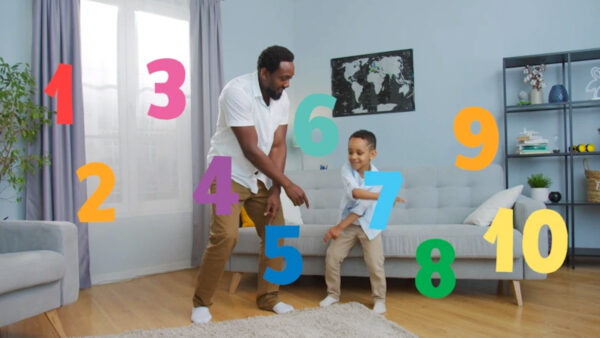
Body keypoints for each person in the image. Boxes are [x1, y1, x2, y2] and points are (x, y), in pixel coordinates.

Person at [191, 46, 310, 324]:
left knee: (276, 229)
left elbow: (278, 146)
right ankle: (200, 302)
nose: (287, 83)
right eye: (282, 77)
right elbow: (250, 148)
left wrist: (276, 190)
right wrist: (289, 184)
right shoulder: (236, 92)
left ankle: (269, 297)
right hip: (223, 172)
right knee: (226, 236)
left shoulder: (282, 98)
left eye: (290, 77)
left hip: (259, 176)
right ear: (264, 73)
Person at [320, 130, 405, 314]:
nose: (353, 157)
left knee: (375, 263)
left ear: (372, 154)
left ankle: (379, 299)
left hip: (373, 221)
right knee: (332, 257)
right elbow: (356, 194)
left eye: (359, 152)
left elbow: (362, 208)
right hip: (349, 222)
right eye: (350, 152)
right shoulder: (346, 169)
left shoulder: (380, 177)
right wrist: (383, 196)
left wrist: (337, 228)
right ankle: (333, 294)